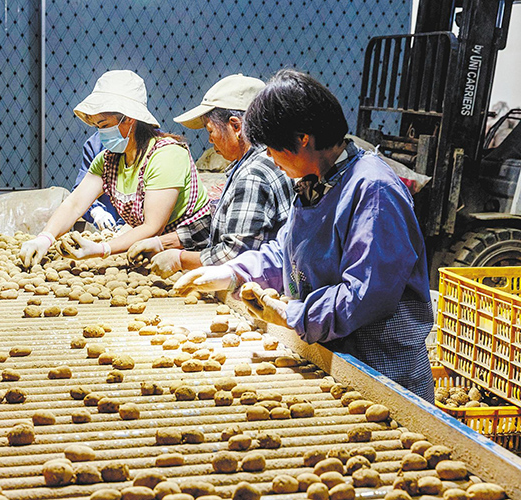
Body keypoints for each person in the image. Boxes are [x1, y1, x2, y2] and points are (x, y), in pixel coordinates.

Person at [174, 69, 435, 402]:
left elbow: (366, 295)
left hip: (382, 373)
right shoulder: (314, 182)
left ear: (302, 139)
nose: (268, 156)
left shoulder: (373, 190)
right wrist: (231, 272)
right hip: (333, 363)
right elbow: (289, 250)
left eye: (272, 147)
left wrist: (292, 315)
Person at [20, 70, 210, 266]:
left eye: (104, 125)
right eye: (97, 127)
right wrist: (45, 238)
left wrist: (102, 249)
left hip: (190, 252)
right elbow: (74, 204)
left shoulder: (166, 155)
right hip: (148, 251)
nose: (101, 133)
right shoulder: (108, 160)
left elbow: (153, 226)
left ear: (129, 118)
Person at [127, 74, 293, 277]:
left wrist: (179, 260)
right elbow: (221, 223)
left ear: (236, 126)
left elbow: (236, 255)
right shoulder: (258, 162)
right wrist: (162, 243)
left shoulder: (253, 175)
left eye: (210, 130)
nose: (210, 140)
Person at [72, 131, 124, 230]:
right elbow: (81, 192)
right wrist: (96, 210)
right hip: (105, 229)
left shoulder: (155, 147)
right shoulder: (96, 144)